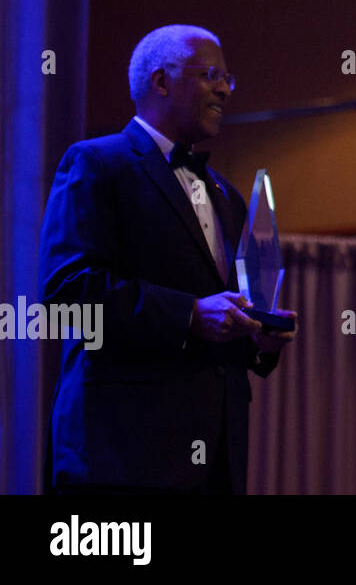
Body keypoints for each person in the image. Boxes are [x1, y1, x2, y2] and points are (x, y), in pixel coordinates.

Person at [39, 24, 295, 494]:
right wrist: (189, 314)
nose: (224, 89)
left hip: (215, 460)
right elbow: (67, 294)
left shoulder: (227, 195)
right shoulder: (97, 163)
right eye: (211, 75)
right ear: (161, 81)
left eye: (228, 79)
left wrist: (259, 339)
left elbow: (222, 326)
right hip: (122, 453)